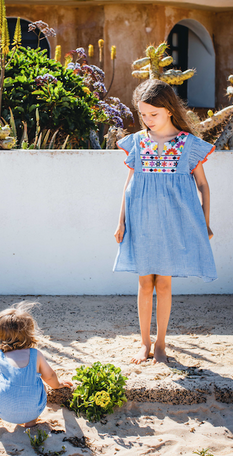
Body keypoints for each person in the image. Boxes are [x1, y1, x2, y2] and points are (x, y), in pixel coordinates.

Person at [113, 79, 217, 365]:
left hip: (174, 223)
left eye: (153, 114)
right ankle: (144, 343)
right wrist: (120, 221)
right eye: (143, 114)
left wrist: (204, 223)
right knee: (145, 283)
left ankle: (161, 343)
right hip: (141, 221)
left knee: (165, 285)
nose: (147, 120)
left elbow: (203, 186)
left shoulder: (188, 145)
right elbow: (129, 183)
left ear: (169, 110)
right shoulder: (138, 142)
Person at [0, 301, 72, 425]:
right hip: (33, 411)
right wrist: (57, 385)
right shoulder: (36, 354)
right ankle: (30, 423)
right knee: (41, 385)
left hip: (2, 410)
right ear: (29, 332)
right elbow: (49, 376)